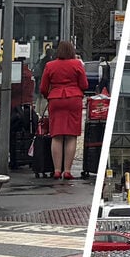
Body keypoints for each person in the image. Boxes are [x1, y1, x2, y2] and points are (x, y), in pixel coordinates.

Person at [39, 40, 88, 180]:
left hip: (56, 99)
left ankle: (56, 170)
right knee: (71, 136)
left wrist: (49, 95)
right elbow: (84, 84)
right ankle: (67, 170)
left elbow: (43, 87)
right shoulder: (77, 64)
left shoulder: (50, 65)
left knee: (57, 135)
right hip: (74, 99)